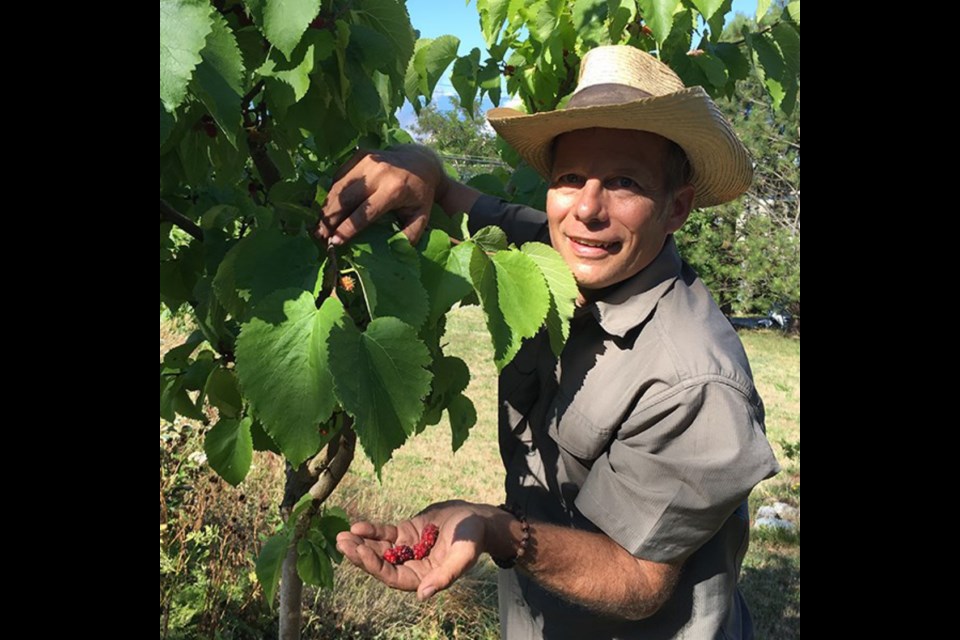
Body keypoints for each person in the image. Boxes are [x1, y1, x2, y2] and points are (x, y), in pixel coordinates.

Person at [327, 45, 780, 639]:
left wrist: (496, 530)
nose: (586, 209)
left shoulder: (693, 380)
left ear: (677, 208)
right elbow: (459, 200)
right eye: (569, 178)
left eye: (624, 182)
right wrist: (419, 161)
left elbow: (640, 580)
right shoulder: (550, 253)